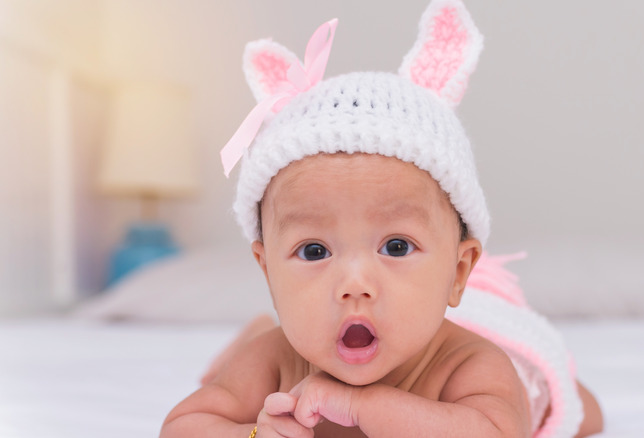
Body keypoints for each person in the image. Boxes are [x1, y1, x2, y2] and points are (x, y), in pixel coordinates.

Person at [161, 1, 603, 437]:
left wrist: (361, 405)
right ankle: (253, 326)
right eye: (314, 251)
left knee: (582, 411)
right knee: (241, 368)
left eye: (396, 246)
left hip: (496, 341)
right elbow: (181, 427)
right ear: (268, 273)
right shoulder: (274, 359)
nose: (355, 283)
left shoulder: (470, 366)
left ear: (459, 270)